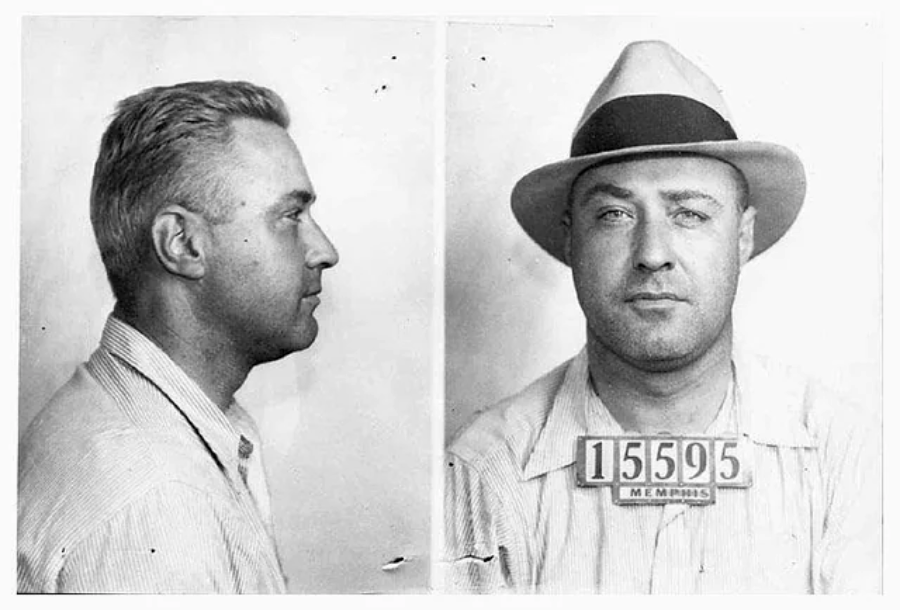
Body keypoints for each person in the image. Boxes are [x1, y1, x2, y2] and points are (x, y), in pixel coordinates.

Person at [444, 41, 881, 594]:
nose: (653, 253)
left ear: (742, 236)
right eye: (614, 214)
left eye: (689, 213)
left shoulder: (851, 458)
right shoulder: (486, 472)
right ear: (571, 238)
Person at [18, 80, 339, 593]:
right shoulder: (154, 504)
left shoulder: (143, 425)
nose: (325, 250)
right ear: (183, 244)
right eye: (290, 216)